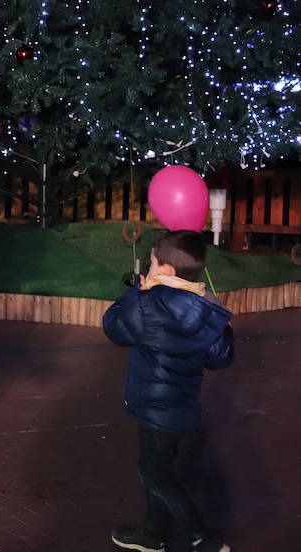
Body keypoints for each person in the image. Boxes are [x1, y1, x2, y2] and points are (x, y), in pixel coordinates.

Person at [103, 230, 233, 552]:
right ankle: (153, 532)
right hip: (180, 407)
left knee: (154, 474)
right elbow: (220, 359)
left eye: (152, 264)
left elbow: (114, 326)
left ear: (168, 271)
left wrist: (137, 291)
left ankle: (203, 539)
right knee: (158, 467)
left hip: (152, 406)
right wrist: (225, 330)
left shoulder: (149, 303)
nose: (149, 268)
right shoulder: (207, 306)